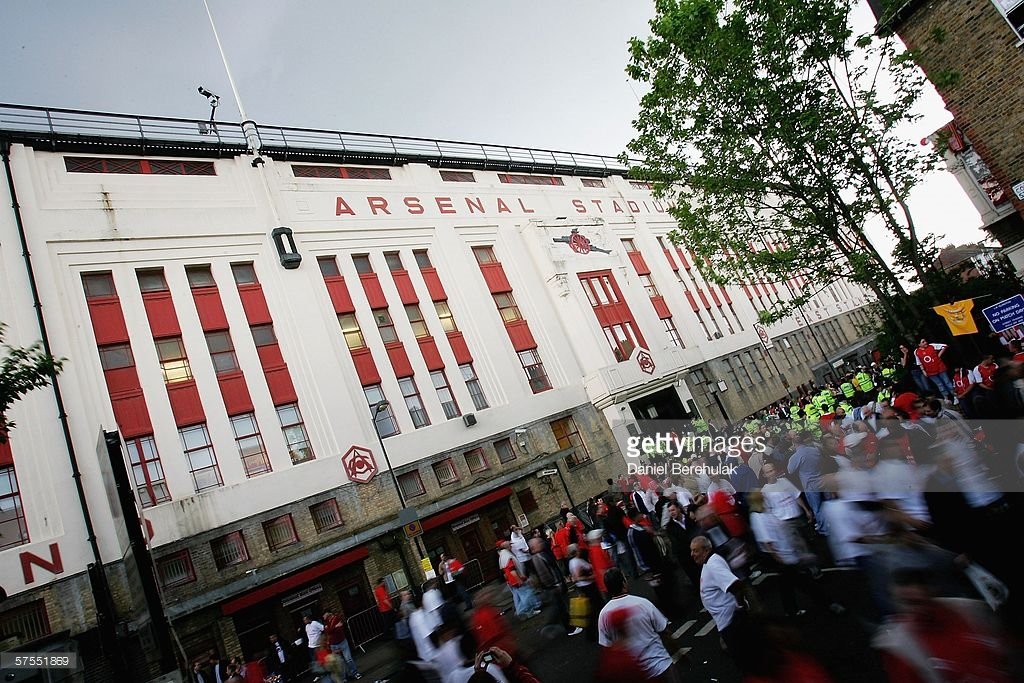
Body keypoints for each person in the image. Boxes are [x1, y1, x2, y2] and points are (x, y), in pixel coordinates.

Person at [873, 568, 1013, 683]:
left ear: (931, 593)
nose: (913, 610)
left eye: (918, 602)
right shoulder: (899, 647)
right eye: (904, 602)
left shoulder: (973, 611)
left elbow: (1009, 651)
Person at [597, 568, 681, 682]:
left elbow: (606, 646)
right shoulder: (643, 603)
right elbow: (665, 631)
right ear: (624, 583)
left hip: (634, 674)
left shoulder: (604, 615)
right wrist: (679, 653)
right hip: (660, 665)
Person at [690, 536, 749, 654]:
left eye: (696, 550)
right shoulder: (711, 561)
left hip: (731, 622)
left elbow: (736, 585)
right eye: (691, 550)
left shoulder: (713, 566)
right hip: (727, 620)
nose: (692, 554)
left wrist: (741, 607)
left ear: (706, 550)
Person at [529, 536, 583, 636]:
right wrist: (555, 584)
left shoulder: (541, 554)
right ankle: (569, 629)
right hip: (553, 586)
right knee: (560, 607)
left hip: (553, 585)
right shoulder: (537, 558)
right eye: (539, 543)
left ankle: (561, 625)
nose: (541, 544)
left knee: (560, 606)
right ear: (534, 546)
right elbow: (544, 574)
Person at [323, 610, 362, 680]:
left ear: (328, 614)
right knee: (340, 662)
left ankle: (355, 673)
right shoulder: (326, 622)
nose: (323, 616)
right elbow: (328, 632)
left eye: (324, 615)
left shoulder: (337, 618)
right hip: (333, 645)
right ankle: (344, 677)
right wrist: (335, 627)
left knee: (348, 659)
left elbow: (339, 628)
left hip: (342, 642)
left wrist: (333, 629)